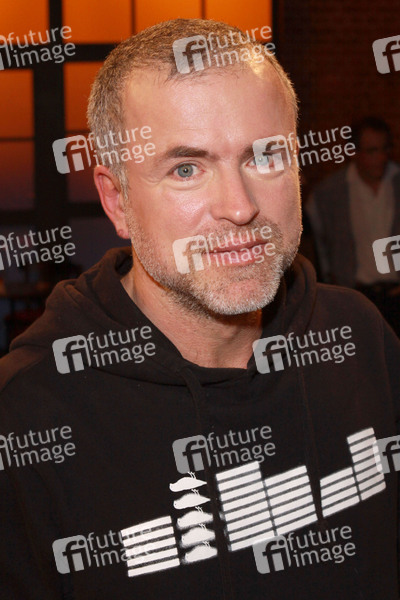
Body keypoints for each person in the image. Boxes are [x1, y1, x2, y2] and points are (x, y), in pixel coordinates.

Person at [0, 19, 399, 600]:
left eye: (265, 156)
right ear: (117, 200)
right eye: (186, 169)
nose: (239, 207)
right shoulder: (28, 415)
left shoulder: (359, 336)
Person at [306, 117, 400, 335]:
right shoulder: (329, 193)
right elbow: (317, 248)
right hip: (355, 298)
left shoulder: (396, 182)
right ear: (353, 152)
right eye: (372, 151)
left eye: (385, 149)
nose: (381, 158)